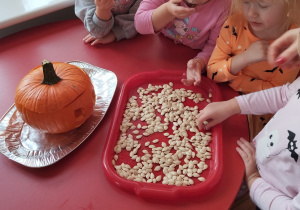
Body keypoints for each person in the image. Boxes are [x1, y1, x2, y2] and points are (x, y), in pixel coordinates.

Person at [196, 27, 300, 210]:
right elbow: (286, 95)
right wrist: (232, 106)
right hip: (255, 153)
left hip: (270, 192)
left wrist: (254, 181)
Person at [205, 0, 300, 140]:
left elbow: (276, 95)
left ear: (289, 5)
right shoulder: (234, 24)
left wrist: (233, 78)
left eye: (263, 6)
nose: (251, 13)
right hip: (223, 102)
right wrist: (245, 57)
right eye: (246, 2)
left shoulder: (294, 45)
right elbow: (212, 72)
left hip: (261, 120)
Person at [134, 0, 231, 86]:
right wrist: (167, 11)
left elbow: (215, 46)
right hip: (158, 50)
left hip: (191, 56)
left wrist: (200, 62)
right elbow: (140, 24)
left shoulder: (225, 6)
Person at [75, 0, 142, 45]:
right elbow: (96, 31)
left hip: (132, 38)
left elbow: (140, 17)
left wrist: (117, 31)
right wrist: (102, 10)